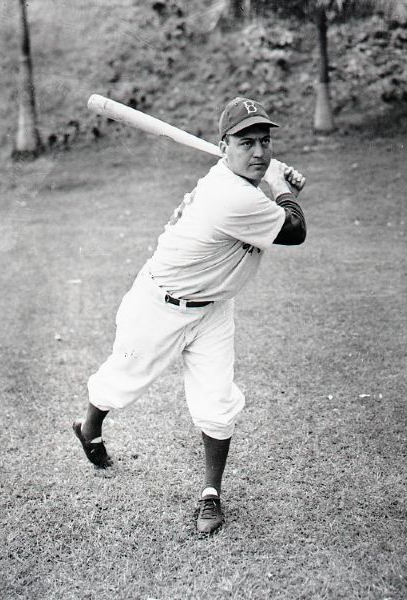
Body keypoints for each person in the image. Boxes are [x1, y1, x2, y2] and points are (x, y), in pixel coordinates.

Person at [73, 97, 307, 534]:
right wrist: (281, 186)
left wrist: (276, 186)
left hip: (213, 308)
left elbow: (275, 213)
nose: (259, 152)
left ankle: (210, 495)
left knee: (217, 402)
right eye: (246, 142)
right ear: (223, 146)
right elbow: (294, 230)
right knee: (121, 383)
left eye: (265, 142)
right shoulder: (229, 195)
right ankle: (89, 427)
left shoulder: (235, 183)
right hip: (159, 304)